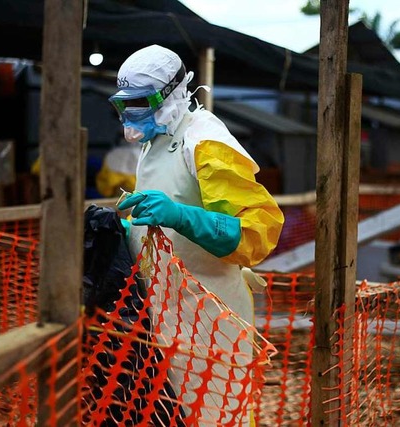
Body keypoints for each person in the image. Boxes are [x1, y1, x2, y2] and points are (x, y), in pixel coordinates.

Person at [111, 44, 284, 425]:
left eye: (141, 102)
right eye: (125, 103)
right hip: (163, 309)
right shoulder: (154, 138)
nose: (131, 113)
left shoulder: (205, 142)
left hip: (210, 315)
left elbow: (257, 232)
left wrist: (180, 216)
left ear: (171, 94)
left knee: (214, 415)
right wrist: (126, 232)